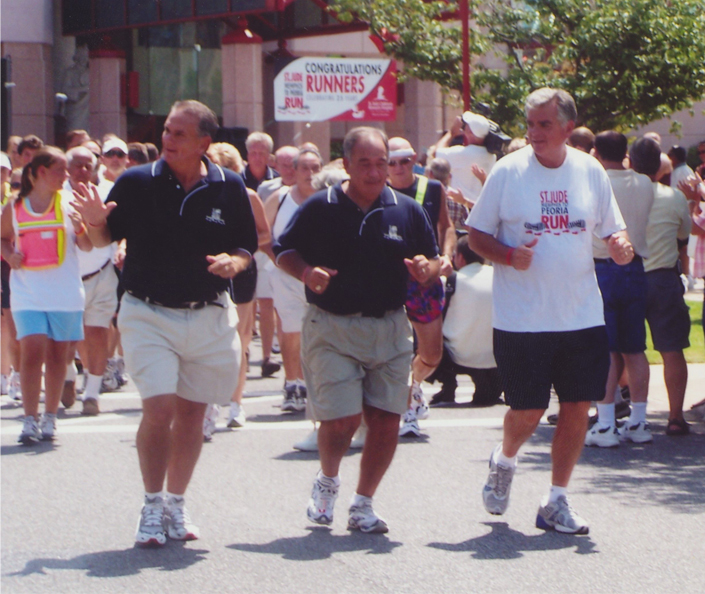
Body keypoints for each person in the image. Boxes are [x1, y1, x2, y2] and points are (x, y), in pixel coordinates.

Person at [72, 100, 258, 546]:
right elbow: (96, 238)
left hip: (209, 313)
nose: (167, 139)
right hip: (146, 311)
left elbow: (246, 247)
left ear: (203, 143)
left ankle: (177, 502)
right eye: (167, 130)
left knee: (193, 414)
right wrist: (94, 224)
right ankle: (151, 505)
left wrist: (234, 262)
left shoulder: (229, 186)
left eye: (178, 133)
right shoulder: (136, 181)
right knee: (159, 410)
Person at [468, 88, 633, 535]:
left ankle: (556, 500)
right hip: (522, 318)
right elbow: (476, 237)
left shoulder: (589, 170)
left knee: (579, 406)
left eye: (544, 124)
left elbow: (614, 232)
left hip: (581, 314)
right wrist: (507, 255)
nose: (534, 132)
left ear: (566, 127)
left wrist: (620, 246)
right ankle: (504, 459)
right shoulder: (508, 172)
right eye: (530, 124)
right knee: (528, 410)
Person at [273, 127, 439, 533]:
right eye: (364, 163)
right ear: (345, 165)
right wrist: (307, 272)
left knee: (386, 420)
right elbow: (282, 250)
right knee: (342, 420)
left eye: (381, 163)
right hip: (332, 326)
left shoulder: (405, 210)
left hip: (389, 326)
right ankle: (328, 481)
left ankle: (363, 503)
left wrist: (425, 270)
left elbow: (433, 262)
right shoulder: (320, 207)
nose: (374, 171)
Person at [1, 147, 92, 444]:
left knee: (57, 358)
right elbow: (2, 238)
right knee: (31, 353)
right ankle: (30, 419)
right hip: (27, 293)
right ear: (40, 172)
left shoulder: (68, 204)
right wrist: (8, 254)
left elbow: (88, 246)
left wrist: (81, 229)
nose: (66, 177)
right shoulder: (14, 207)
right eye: (61, 171)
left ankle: (50, 417)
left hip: (65, 294)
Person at [584, 131, 654, 447]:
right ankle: (638, 421)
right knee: (635, 348)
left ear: (596, 151)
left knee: (606, 348)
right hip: (636, 266)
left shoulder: (594, 181)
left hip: (602, 267)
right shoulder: (644, 183)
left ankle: (606, 422)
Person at [387, 136, 455, 437]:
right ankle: (407, 410)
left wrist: (447, 256)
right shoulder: (377, 191)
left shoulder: (432, 188)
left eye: (404, 160)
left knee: (432, 354)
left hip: (425, 280)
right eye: (392, 162)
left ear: (415, 158)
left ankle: (415, 385)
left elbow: (447, 226)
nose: (399, 167)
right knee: (395, 350)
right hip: (389, 279)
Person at [202, 142, 271, 436]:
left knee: (240, 342)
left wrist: (240, 251)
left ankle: (236, 402)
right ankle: (209, 405)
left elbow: (265, 234)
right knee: (208, 341)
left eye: (219, 166)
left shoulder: (249, 195)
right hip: (208, 269)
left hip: (241, 271)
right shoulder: (202, 194)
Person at [630, 136, 692, 436]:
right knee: (672, 350)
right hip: (663, 277)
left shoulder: (619, 195)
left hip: (628, 274)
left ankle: (616, 412)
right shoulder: (673, 197)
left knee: (623, 349)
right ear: (660, 166)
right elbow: (684, 233)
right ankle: (676, 416)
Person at [263, 148, 324, 413]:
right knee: (290, 330)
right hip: (287, 277)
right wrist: (279, 260)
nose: (310, 174)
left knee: (322, 333)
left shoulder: (331, 199)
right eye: (304, 169)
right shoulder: (280, 198)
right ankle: (292, 384)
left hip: (323, 279)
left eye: (315, 168)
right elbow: (262, 236)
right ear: (294, 172)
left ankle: (319, 386)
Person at [61, 146, 118, 415]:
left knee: (97, 333)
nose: (83, 170)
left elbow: (120, 227)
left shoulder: (109, 191)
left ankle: (92, 393)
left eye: (88, 165)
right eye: (77, 165)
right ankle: (69, 374)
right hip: (67, 278)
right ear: (67, 169)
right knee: (71, 337)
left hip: (102, 274)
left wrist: (123, 247)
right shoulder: (57, 195)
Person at [428, 235, 503, 407]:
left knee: (425, 338)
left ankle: (448, 384)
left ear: (460, 258)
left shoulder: (452, 281)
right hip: (495, 356)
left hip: (459, 356)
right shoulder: (499, 277)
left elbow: (437, 316)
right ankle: (491, 383)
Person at [435, 112, 496, 205]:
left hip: (461, 207)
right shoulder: (492, 156)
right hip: (479, 208)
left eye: (466, 125)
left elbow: (435, 153)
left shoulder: (463, 153)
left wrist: (451, 133)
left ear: (471, 132)